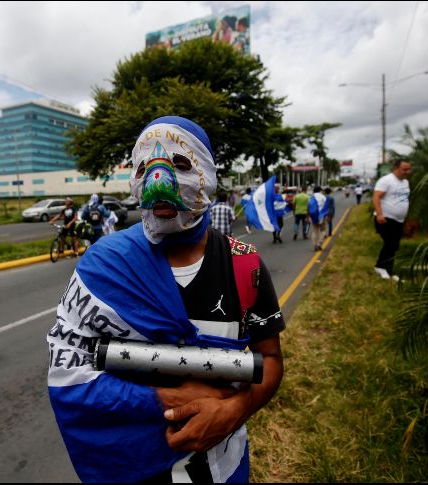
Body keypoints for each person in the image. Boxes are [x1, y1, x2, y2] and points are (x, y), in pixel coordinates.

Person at [46, 116, 285, 483]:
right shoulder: (102, 265)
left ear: (207, 173)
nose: (159, 180)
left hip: (225, 468)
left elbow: (268, 359)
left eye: (181, 164)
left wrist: (236, 409)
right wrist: (162, 399)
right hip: (136, 471)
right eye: (144, 167)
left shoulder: (244, 263)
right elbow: (70, 370)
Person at [372, 159, 412, 280]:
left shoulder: (405, 182)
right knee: (390, 243)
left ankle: (389, 270)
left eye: (409, 169)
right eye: (404, 169)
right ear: (396, 169)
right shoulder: (386, 180)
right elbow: (376, 197)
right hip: (385, 218)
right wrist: (379, 214)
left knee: (395, 245)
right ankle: (380, 267)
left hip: (399, 220)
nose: (407, 172)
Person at [308, 185, 328, 251]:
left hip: (313, 216)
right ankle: (319, 243)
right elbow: (326, 207)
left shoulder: (311, 197)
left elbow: (308, 207)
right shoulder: (323, 197)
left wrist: (308, 216)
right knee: (323, 230)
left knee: (314, 231)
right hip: (322, 216)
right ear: (320, 190)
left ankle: (315, 244)